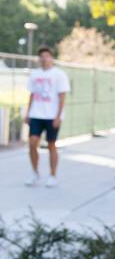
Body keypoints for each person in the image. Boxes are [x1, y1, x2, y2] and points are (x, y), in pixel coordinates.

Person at [24, 46, 71, 188]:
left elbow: (62, 97)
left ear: (51, 58)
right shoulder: (34, 74)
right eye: (42, 56)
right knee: (32, 143)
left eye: (47, 56)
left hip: (52, 116)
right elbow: (32, 94)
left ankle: (52, 175)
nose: (44, 59)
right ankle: (35, 172)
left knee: (51, 145)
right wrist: (27, 113)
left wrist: (58, 116)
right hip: (36, 115)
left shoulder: (59, 75)